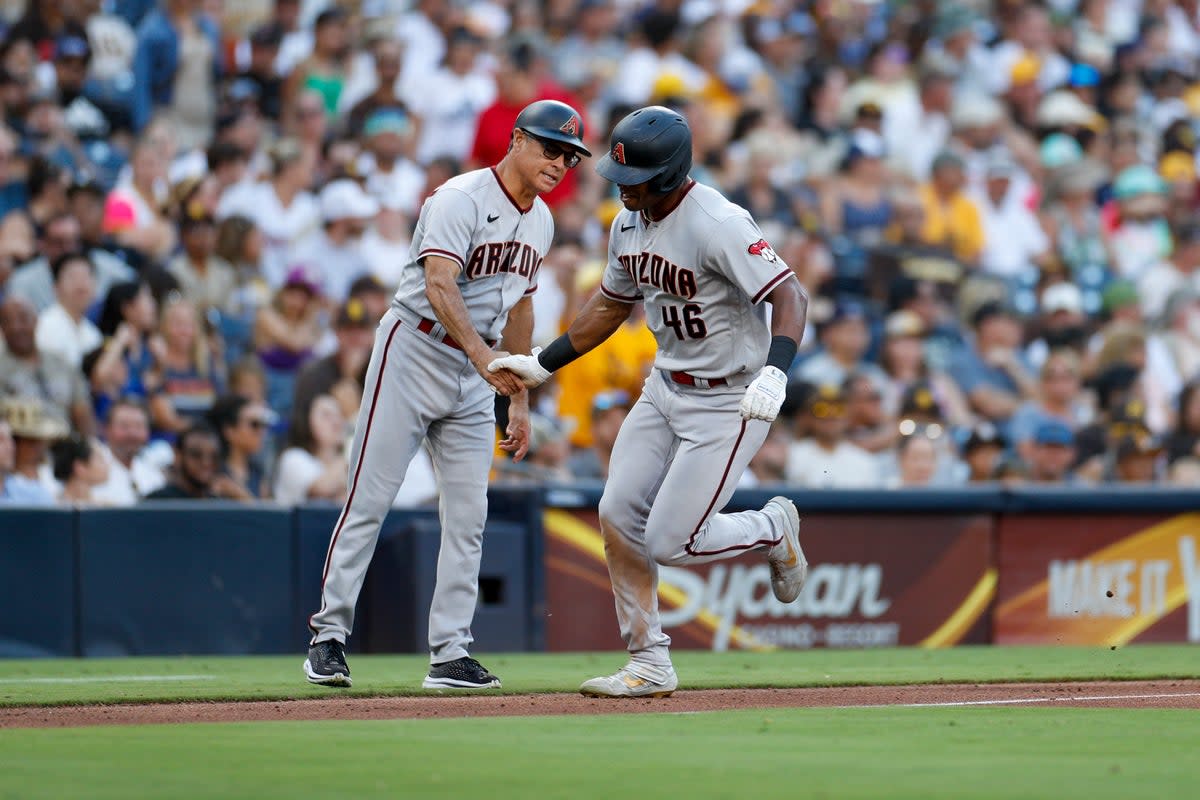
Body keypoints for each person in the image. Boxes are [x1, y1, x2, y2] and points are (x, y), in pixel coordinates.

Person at [489, 106, 809, 698]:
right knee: (617, 515)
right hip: (665, 387)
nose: (623, 188)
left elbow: (790, 295)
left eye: (634, 179)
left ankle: (771, 527)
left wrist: (776, 373)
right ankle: (649, 662)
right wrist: (541, 363)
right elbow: (610, 306)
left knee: (670, 540)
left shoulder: (718, 221)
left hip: (730, 397)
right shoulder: (627, 224)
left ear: (668, 173)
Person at [304, 99, 590, 691]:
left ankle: (450, 652)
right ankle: (327, 638)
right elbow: (439, 285)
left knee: (469, 515)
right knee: (369, 498)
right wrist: (486, 362)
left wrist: (520, 396)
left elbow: (522, 306)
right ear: (515, 140)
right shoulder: (460, 197)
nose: (560, 163)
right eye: (549, 148)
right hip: (414, 347)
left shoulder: (541, 221)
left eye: (570, 155)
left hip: (476, 367)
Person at [92, 398, 167, 505]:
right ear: (106, 429)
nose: (132, 433)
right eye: (124, 426)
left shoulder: (154, 473)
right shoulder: (88, 468)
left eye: (139, 426)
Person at [142, 423, 222, 500]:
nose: (206, 463)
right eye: (196, 455)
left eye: (214, 456)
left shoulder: (221, 503)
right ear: (178, 456)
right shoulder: (157, 502)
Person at [51, 434, 110, 506]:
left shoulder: (107, 506)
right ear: (80, 467)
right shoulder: (51, 505)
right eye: (100, 459)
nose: (107, 465)